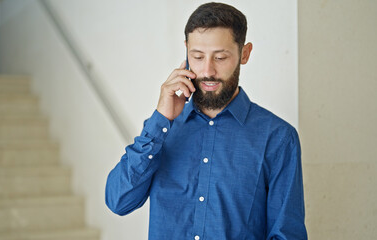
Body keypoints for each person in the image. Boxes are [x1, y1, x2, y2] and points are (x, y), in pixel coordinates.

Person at [105, 2, 307, 239]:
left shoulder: (278, 138)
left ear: (245, 53)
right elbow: (118, 201)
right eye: (198, 56)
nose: (207, 70)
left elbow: (286, 234)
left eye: (220, 57)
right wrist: (160, 120)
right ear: (186, 50)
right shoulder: (161, 131)